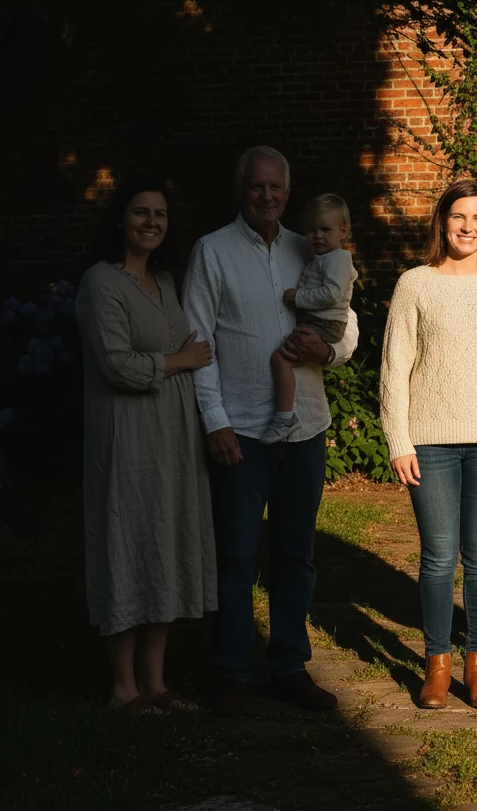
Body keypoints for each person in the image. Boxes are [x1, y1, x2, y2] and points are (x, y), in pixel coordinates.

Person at [182, 146, 358, 712]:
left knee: (294, 554)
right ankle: (232, 670)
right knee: (234, 555)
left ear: (287, 191)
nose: (267, 196)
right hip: (243, 430)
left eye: (276, 187)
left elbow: (347, 321)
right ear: (242, 190)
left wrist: (328, 351)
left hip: (304, 426)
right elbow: (197, 345)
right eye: (257, 187)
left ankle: (289, 665)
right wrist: (216, 422)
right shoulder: (212, 252)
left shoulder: (309, 245)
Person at [76, 176, 217, 712]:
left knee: (166, 544)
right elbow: (117, 366)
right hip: (127, 438)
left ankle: (156, 683)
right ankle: (123, 688)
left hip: (174, 440)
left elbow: (183, 341)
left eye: (159, 214)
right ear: (120, 219)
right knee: (127, 544)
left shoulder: (166, 280)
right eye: (140, 212)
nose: (151, 222)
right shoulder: (101, 283)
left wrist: (181, 356)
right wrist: (180, 361)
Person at [380, 180, 477, 709]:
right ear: (442, 222)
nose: (467, 227)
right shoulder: (415, 283)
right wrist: (399, 438)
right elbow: (395, 365)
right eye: (458, 216)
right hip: (431, 441)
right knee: (439, 556)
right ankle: (436, 665)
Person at [263, 193, 357, 444]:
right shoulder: (323, 258)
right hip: (319, 322)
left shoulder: (338, 259)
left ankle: (285, 417)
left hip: (325, 324)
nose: (317, 236)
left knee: (280, 359)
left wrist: (299, 297)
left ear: (343, 231)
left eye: (325, 229)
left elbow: (333, 294)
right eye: (311, 230)